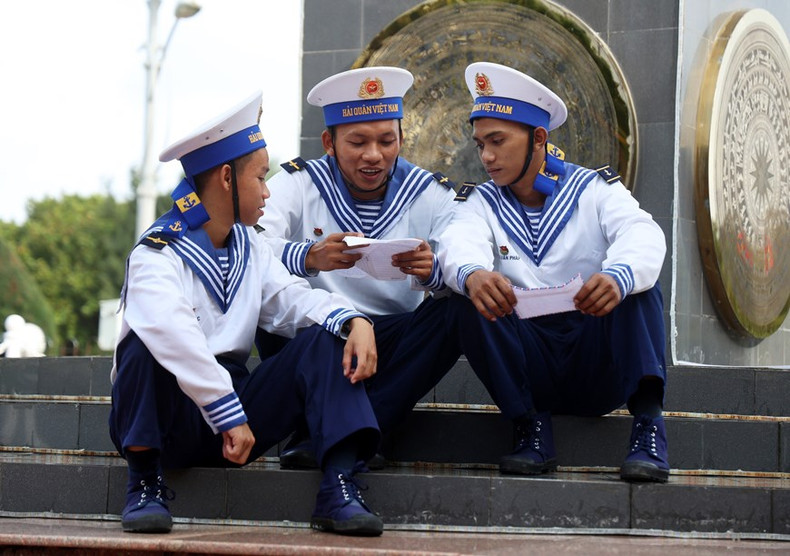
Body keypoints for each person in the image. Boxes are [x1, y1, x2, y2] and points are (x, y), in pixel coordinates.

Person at [109, 91, 385, 537]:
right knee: (146, 340)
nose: (267, 189)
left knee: (325, 334)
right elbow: (175, 333)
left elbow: (294, 299)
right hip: (176, 421)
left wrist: (354, 320)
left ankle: (338, 483)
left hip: (235, 420)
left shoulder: (251, 246)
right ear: (224, 178)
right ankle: (143, 480)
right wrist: (227, 412)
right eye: (260, 176)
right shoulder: (156, 253)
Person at [438, 62, 669, 483]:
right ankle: (529, 428)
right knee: (465, 296)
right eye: (480, 144)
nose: (486, 156)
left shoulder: (594, 189)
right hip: (530, 363)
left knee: (638, 285)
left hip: (593, 359)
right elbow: (457, 243)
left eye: (497, 141)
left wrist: (618, 276)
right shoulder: (478, 202)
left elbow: (643, 233)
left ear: (539, 138)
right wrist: (472, 273)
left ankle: (649, 430)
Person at [257, 66, 461, 468]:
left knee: (458, 311)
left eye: (387, 140)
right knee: (268, 305)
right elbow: (251, 246)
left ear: (402, 139)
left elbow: (467, 252)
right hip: (318, 332)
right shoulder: (300, 183)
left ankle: (363, 425)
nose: (374, 155)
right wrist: (306, 257)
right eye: (358, 142)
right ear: (329, 143)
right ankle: (336, 430)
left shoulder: (430, 194)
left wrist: (434, 268)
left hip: (392, 339)